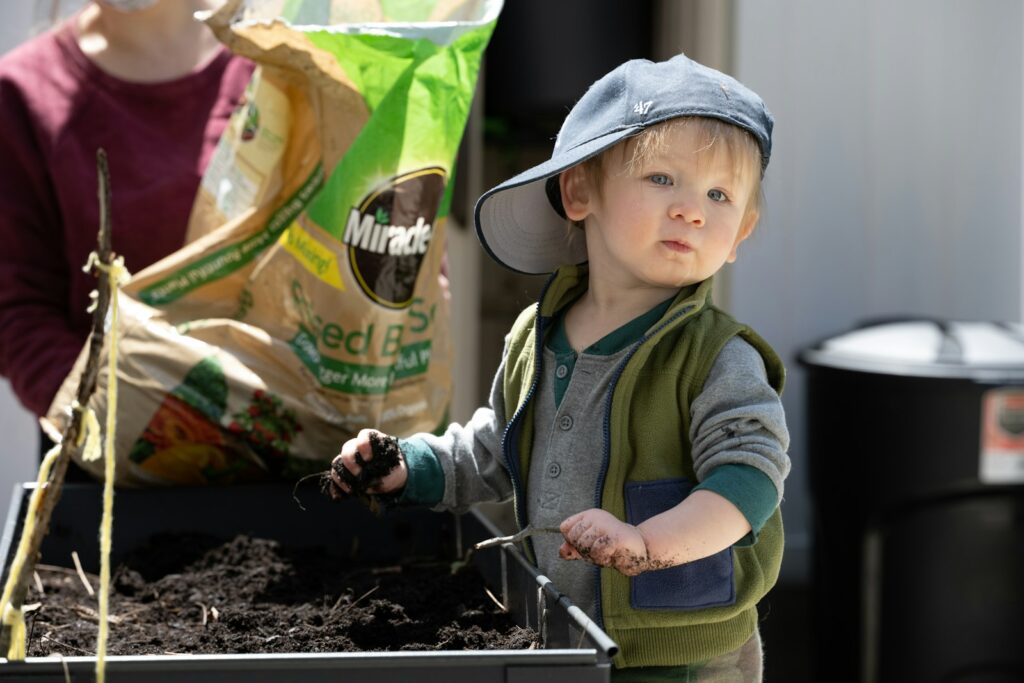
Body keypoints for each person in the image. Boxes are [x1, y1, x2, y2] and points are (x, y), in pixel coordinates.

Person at [331, 54, 790, 681]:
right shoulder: (537, 337)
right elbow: (500, 446)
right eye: (662, 178)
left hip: (679, 653)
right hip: (561, 631)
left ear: (740, 233)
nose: (692, 209)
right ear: (580, 191)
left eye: (719, 194)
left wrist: (649, 544)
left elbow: (749, 481)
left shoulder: (716, 357)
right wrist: (408, 468)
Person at [0, 0, 254, 420]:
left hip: (290, 444)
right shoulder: (22, 95)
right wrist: (122, 423)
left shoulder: (278, 61)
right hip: (114, 455)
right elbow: (19, 313)